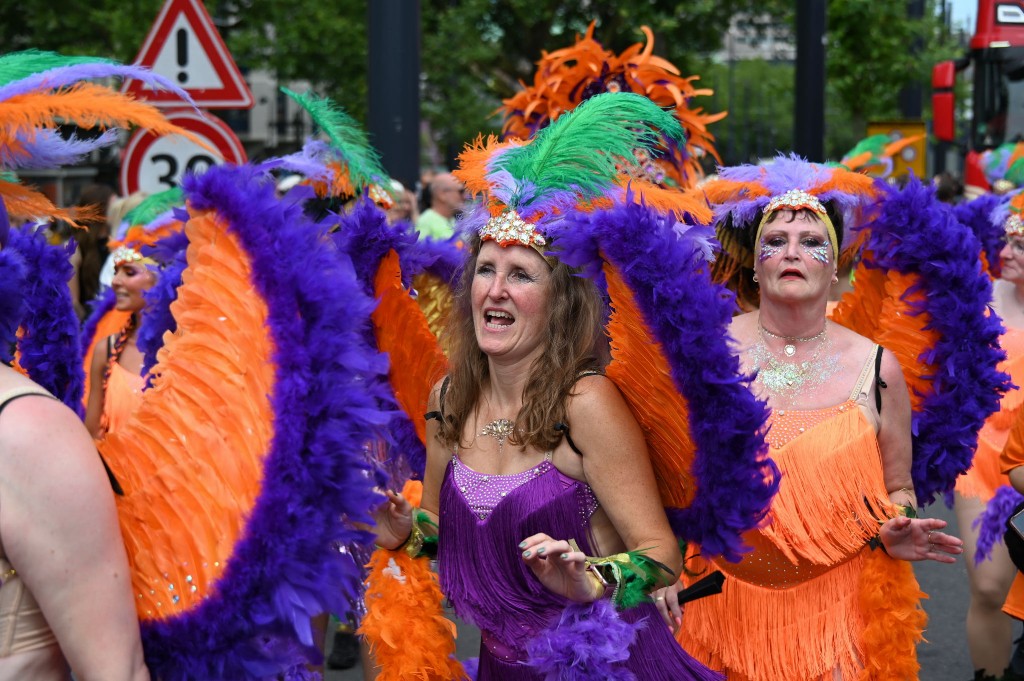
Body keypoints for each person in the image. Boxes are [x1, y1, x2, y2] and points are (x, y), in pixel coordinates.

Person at [365, 91, 775, 680]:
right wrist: (405, 534)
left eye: (521, 275)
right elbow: (441, 531)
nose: (495, 290)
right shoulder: (448, 401)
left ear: (558, 303)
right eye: (486, 269)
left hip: (606, 664)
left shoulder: (585, 404)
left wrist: (591, 579)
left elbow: (659, 558)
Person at [668, 161, 967, 681]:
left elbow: (898, 485)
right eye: (776, 240)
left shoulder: (878, 368)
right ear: (755, 267)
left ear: (835, 270)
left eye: (811, 241)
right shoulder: (709, 354)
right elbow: (672, 480)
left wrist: (896, 524)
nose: (791, 252)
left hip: (841, 619)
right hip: (718, 609)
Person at [969, 197, 1024, 681]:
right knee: (989, 588)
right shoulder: (982, 295)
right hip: (983, 456)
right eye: (1007, 238)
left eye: (1022, 245)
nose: (1006, 251)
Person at [84, 243, 155, 440]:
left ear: (162, 279)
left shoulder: (186, 352)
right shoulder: (107, 350)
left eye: (129, 273)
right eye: (116, 272)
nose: (115, 281)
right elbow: (92, 436)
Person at [415, 172, 463, 240]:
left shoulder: (453, 219)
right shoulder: (425, 221)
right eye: (460, 192)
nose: (465, 196)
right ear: (442, 195)